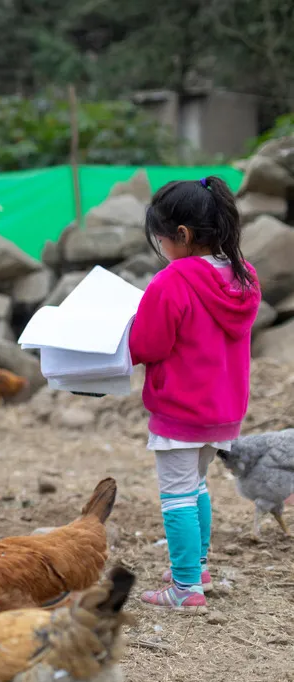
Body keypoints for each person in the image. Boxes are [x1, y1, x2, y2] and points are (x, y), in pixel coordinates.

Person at [129, 176, 260, 613]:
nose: (161, 247)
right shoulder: (243, 275)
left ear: (181, 236)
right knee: (197, 484)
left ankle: (186, 587)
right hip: (223, 410)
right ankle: (197, 566)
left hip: (180, 410)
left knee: (177, 494)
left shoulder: (173, 281)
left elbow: (148, 345)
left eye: (161, 238)